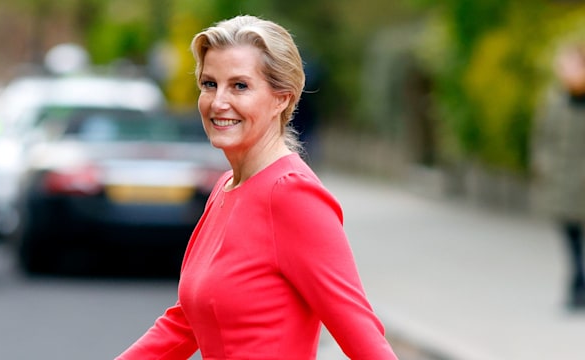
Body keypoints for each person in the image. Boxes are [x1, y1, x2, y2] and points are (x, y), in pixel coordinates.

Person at [116, 15, 397, 359]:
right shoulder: (226, 187)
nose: (218, 102)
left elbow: (367, 343)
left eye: (240, 86)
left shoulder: (293, 195)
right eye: (209, 84)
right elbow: (186, 322)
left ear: (281, 98)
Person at [531, 43, 585, 310]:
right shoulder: (554, 102)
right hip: (564, 185)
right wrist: (546, 166)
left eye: (571, 66)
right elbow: (542, 139)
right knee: (572, 241)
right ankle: (578, 285)